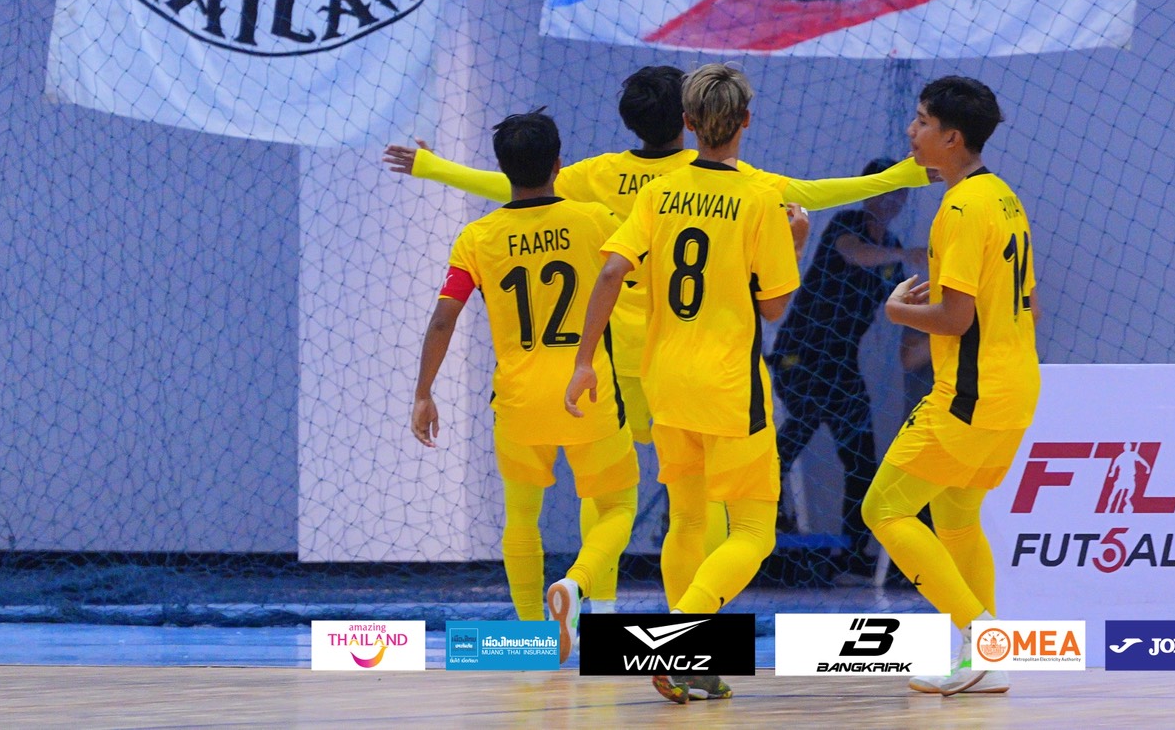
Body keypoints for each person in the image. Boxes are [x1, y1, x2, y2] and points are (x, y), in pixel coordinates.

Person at [385, 67, 929, 608]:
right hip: (710, 369)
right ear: (694, 121)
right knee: (707, 508)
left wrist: (436, 167)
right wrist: (904, 175)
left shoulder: (602, 177)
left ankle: (599, 610)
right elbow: (821, 193)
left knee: (602, 496)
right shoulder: (743, 185)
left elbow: (515, 186)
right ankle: (694, 622)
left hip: (624, 362)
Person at [566, 64, 808, 705]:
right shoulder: (759, 198)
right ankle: (677, 646)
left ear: (689, 121)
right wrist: (795, 241)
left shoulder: (659, 191)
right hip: (729, 385)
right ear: (746, 121)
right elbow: (775, 308)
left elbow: (611, 272)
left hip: (665, 379)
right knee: (754, 532)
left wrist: (585, 361)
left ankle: (695, 665)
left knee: (688, 518)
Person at [409, 110, 637, 664]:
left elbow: (443, 320)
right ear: (559, 164)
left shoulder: (478, 236)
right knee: (617, 506)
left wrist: (423, 393)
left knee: (520, 519)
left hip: (517, 399)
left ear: (503, 169)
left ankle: (535, 639)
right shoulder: (596, 219)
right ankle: (577, 584)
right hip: (587, 389)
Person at [864, 76, 1042, 697]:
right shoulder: (1004, 197)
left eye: (920, 121)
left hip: (968, 395)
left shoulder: (962, 207)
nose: (911, 131)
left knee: (883, 509)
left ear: (952, 137)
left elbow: (956, 318)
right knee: (958, 516)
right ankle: (985, 660)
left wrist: (898, 312)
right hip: (1014, 387)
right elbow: (1029, 306)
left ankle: (981, 636)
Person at [769, 160, 928, 575]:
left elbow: (895, 300)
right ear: (868, 193)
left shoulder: (891, 247)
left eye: (899, 194)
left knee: (862, 458)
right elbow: (854, 255)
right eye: (885, 192)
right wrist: (903, 255)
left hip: (841, 363)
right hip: (802, 354)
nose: (892, 201)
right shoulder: (847, 226)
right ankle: (760, 514)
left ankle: (855, 554)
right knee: (804, 419)